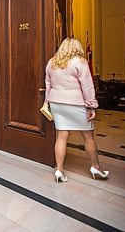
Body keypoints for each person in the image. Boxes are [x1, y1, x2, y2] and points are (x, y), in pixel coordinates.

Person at [45, 37, 109, 183]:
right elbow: (87, 85)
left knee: (61, 136)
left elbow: (48, 84)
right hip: (76, 103)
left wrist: (47, 102)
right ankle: (96, 167)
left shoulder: (51, 62)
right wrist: (91, 105)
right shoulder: (79, 62)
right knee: (88, 137)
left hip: (56, 103)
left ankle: (59, 170)